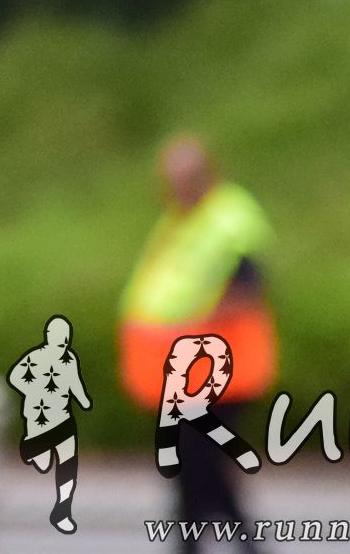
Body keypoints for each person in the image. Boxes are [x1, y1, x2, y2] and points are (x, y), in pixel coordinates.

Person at [119, 136, 275, 540]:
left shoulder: (228, 220)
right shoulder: (182, 220)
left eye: (184, 179)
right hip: (187, 371)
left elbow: (247, 291)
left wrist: (186, 330)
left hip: (217, 368)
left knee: (199, 466)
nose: (176, 189)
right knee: (194, 469)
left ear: (208, 174)